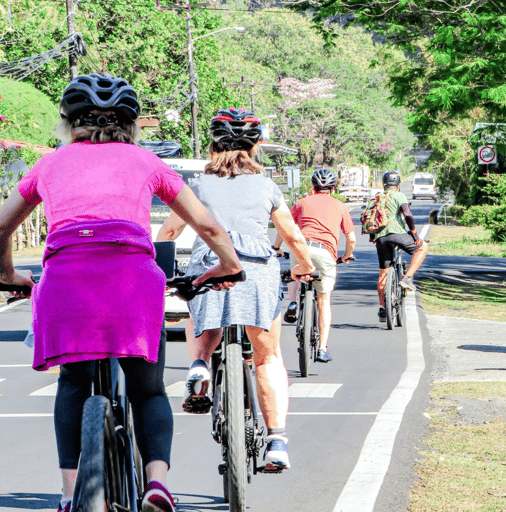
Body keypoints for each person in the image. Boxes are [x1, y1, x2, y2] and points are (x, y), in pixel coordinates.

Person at [0, 73, 243, 512]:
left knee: (73, 382)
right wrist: (229, 265)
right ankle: (157, 485)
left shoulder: (50, 164)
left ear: (69, 123)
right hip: (132, 278)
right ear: (130, 125)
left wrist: (8, 275)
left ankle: (71, 494)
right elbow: (205, 224)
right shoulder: (146, 162)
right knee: (147, 389)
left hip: (66, 278)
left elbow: (1, 227)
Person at [156, 107, 315, 471]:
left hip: (208, 266)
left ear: (213, 145)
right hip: (256, 271)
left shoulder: (195, 187)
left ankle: (198, 365)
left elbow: (167, 234)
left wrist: (162, 270)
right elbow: (290, 234)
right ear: (256, 146)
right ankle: (276, 442)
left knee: (199, 310)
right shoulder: (266, 186)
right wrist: (304, 265)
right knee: (267, 356)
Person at [272, 168, 356, 363]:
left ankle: (293, 302)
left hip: (301, 247)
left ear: (313, 188)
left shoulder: (301, 203)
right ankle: (321, 348)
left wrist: (276, 247)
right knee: (323, 300)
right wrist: (346, 256)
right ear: (333, 188)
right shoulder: (340, 205)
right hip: (325, 253)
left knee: (296, 270)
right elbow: (351, 238)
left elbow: (285, 227)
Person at [373, 171, 429, 322]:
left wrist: (374, 235)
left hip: (381, 238)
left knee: (384, 271)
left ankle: (383, 308)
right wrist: (414, 233)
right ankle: (407, 278)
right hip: (398, 234)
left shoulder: (377, 197)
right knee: (422, 247)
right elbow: (407, 214)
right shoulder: (399, 196)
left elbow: (370, 217)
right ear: (397, 186)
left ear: (384, 185)